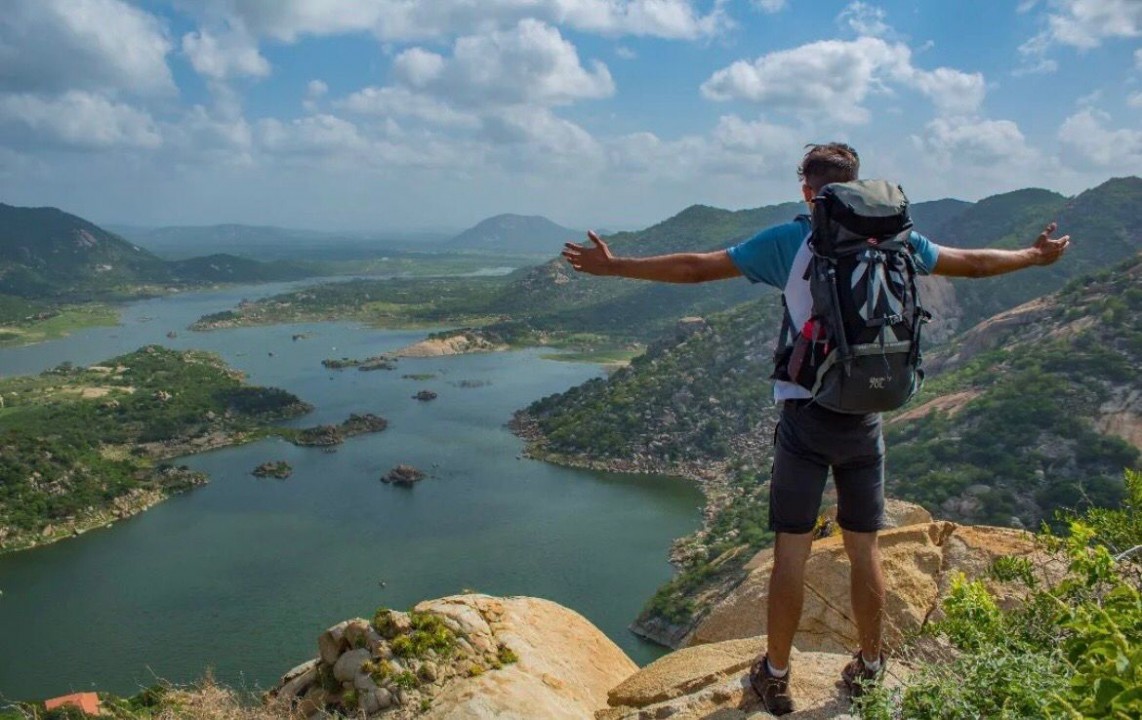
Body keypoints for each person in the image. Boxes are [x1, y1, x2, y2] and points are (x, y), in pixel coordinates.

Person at [561, 143, 1070, 715]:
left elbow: (697, 268)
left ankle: (776, 675)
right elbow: (974, 263)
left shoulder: (793, 239)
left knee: (791, 553)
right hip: (868, 416)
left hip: (806, 418)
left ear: (808, 189)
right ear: (854, 185)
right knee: (864, 549)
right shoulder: (899, 240)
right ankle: (871, 668)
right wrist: (1034, 255)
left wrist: (617, 265)